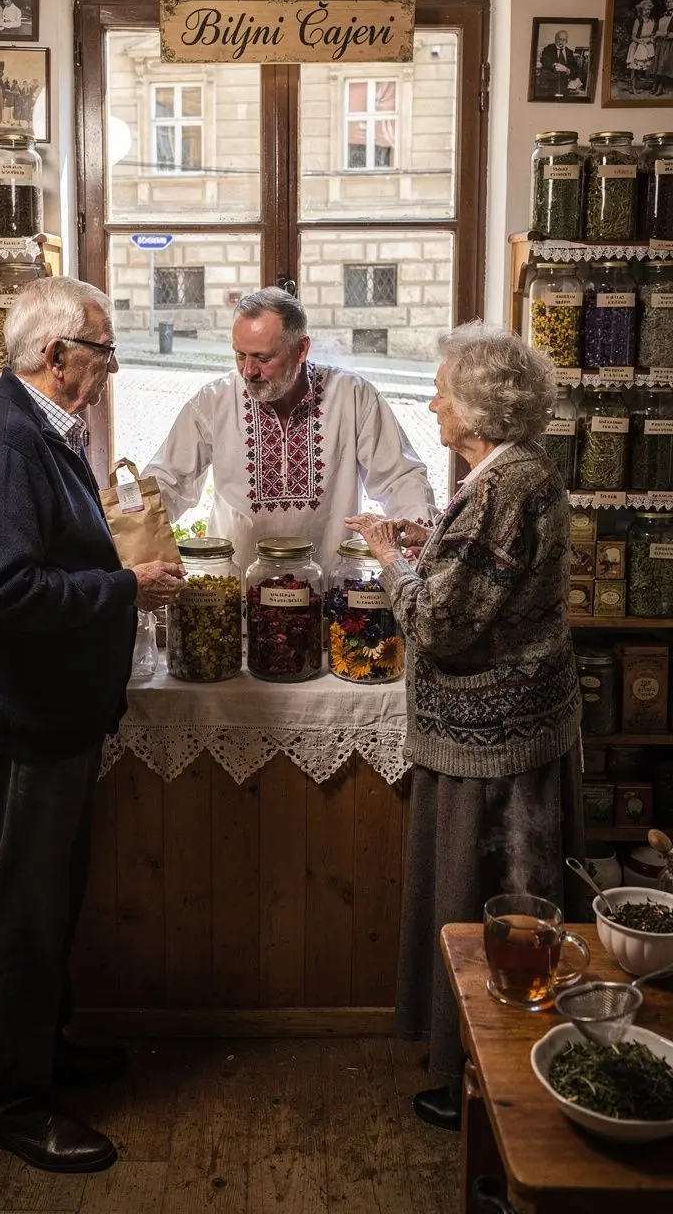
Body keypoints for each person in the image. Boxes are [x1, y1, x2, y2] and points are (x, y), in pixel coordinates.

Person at [0, 277, 185, 1174]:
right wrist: (125, 586)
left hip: (57, 713)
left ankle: (44, 1051)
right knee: (25, 916)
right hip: (31, 714)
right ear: (58, 355)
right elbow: (2, 592)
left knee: (52, 900)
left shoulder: (39, 431)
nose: (111, 367)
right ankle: (13, 1102)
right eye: (105, 350)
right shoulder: (8, 444)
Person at [346, 322, 584, 1135]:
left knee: (491, 906)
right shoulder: (515, 477)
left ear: (480, 408)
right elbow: (485, 573)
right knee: (506, 906)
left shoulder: (499, 487)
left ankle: (489, 1082)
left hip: (494, 745)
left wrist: (389, 558)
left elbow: (441, 623)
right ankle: (501, 1071)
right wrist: (430, 542)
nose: (434, 402)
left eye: (444, 391)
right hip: (516, 726)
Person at [144, 286, 435, 576]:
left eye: (262, 357)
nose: (248, 371)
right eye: (240, 355)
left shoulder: (353, 396)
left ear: (301, 349)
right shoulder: (213, 402)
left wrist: (419, 541)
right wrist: (128, 538)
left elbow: (401, 477)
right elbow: (167, 483)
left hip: (330, 590)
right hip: (236, 591)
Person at [538, 30, 582, 99]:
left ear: (566, 41)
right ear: (556, 39)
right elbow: (544, 60)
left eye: (564, 40)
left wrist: (567, 70)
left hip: (565, 84)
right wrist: (553, 65)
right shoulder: (548, 49)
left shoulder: (570, 52)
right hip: (551, 83)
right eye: (560, 39)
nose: (561, 42)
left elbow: (574, 68)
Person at [627, 0, 656, 96]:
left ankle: (634, 87)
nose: (647, 12)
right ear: (641, 10)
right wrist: (642, 43)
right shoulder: (638, 20)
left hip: (647, 46)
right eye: (645, 10)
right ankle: (633, 88)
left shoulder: (652, 21)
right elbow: (633, 37)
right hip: (638, 44)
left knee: (641, 68)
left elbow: (652, 34)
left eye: (649, 9)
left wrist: (651, 39)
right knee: (634, 68)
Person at [652, 0, 673, 96]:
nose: (668, 4)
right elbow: (656, 29)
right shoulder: (663, 16)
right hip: (660, 43)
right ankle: (654, 85)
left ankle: (660, 87)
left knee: (663, 65)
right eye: (666, 2)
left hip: (669, 44)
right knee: (656, 64)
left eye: (670, 1)